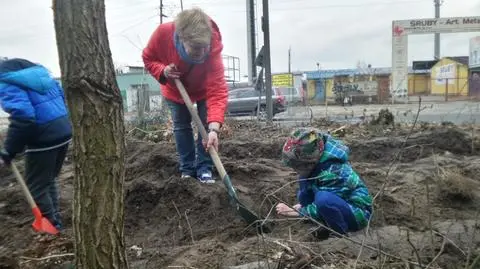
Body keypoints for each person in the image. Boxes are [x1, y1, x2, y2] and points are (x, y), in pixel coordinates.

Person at [142, 7, 228, 184]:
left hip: (204, 89)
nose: (201, 52)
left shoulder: (212, 50)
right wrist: (162, 71)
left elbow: (217, 90)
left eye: (204, 47)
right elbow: (148, 58)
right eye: (195, 48)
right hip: (175, 89)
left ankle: (204, 168)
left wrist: (214, 130)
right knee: (181, 126)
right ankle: (187, 169)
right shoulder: (163, 34)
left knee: (206, 126)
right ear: (181, 38)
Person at [0, 58, 72, 231]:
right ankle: (56, 222)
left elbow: (24, 118)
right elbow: (62, 99)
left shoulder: (6, 81)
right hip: (62, 129)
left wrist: (9, 151)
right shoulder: (41, 75)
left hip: (43, 138)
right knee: (48, 180)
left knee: (37, 186)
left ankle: (50, 228)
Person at [276, 127, 373, 240]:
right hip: (337, 203)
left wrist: (299, 212)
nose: (295, 169)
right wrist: (303, 206)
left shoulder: (334, 171)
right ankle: (321, 224)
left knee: (323, 200)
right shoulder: (317, 162)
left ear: (311, 161)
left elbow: (326, 203)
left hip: (357, 212)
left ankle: (339, 235)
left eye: (298, 166)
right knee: (304, 186)